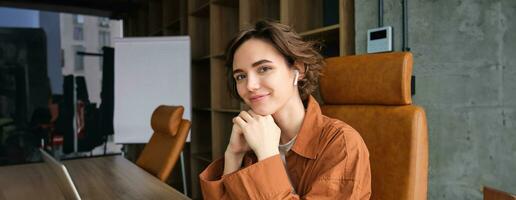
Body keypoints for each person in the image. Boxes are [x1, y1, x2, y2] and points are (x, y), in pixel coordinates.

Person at [199, 20, 371, 199]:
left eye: (264, 68)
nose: (250, 85)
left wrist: (267, 156)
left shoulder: (342, 144)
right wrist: (233, 155)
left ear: (298, 69)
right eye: (241, 76)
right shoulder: (253, 136)